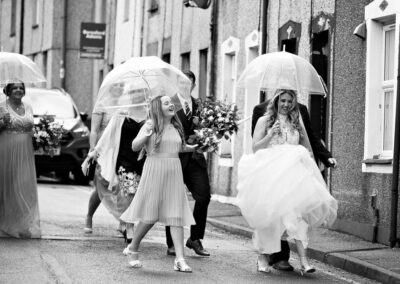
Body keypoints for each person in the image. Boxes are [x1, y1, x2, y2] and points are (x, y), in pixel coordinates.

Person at [238, 89, 338, 274]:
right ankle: (262, 256)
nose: (285, 104)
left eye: (289, 101)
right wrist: (270, 135)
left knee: (297, 217)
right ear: (276, 101)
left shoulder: (297, 121)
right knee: (270, 217)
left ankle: (304, 262)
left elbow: (307, 147)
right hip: (272, 176)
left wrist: (311, 161)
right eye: (282, 100)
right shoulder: (265, 120)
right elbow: (255, 147)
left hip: (293, 178)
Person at [120, 95, 196, 272]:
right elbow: (134, 146)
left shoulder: (176, 126)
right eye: (166, 103)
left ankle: (180, 259)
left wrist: (196, 147)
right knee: (150, 216)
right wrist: (146, 133)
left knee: (176, 215)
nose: (171, 105)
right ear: (157, 107)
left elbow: (178, 147)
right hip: (155, 170)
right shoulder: (149, 125)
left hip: (174, 172)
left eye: (171, 103)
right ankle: (133, 248)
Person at [166, 70, 211, 257]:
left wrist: (208, 138)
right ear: (178, 84)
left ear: (193, 85)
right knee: (173, 201)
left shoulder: (200, 106)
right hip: (175, 158)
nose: (186, 86)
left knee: (204, 196)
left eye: (189, 83)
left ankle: (194, 238)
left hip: (195, 160)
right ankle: (171, 243)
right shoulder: (169, 103)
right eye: (182, 82)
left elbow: (207, 129)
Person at [84, 111, 146, 242]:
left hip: (142, 160)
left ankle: (123, 221)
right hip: (120, 157)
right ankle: (128, 226)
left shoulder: (149, 114)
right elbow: (104, 134)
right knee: (127, 190)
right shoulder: (120, 114)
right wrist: (94, 151)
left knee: (132, 193)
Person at [84, 83, 126, 236]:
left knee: (123, 185)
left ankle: (123, 222)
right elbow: (94, 130)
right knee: (102, 185)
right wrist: (93, 149)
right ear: (110, 87)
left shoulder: (126, 104)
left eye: (122, 87)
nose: (120, 88)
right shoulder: (102, 105)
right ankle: (89, 216)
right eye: (117, 86)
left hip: (121, 150)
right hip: (104, 151)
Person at [0, 82, 41, 238]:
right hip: (6, 151)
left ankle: (23, 223)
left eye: (21, 88)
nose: (18, 90)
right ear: (8, 92)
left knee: (24, 185)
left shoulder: (28, 106)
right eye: (14, 88)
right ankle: (6, 223)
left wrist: (40, 137)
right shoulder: (2, 106)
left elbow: (30, 127)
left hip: (25, 153)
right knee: (8, 186)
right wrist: (3, 122)